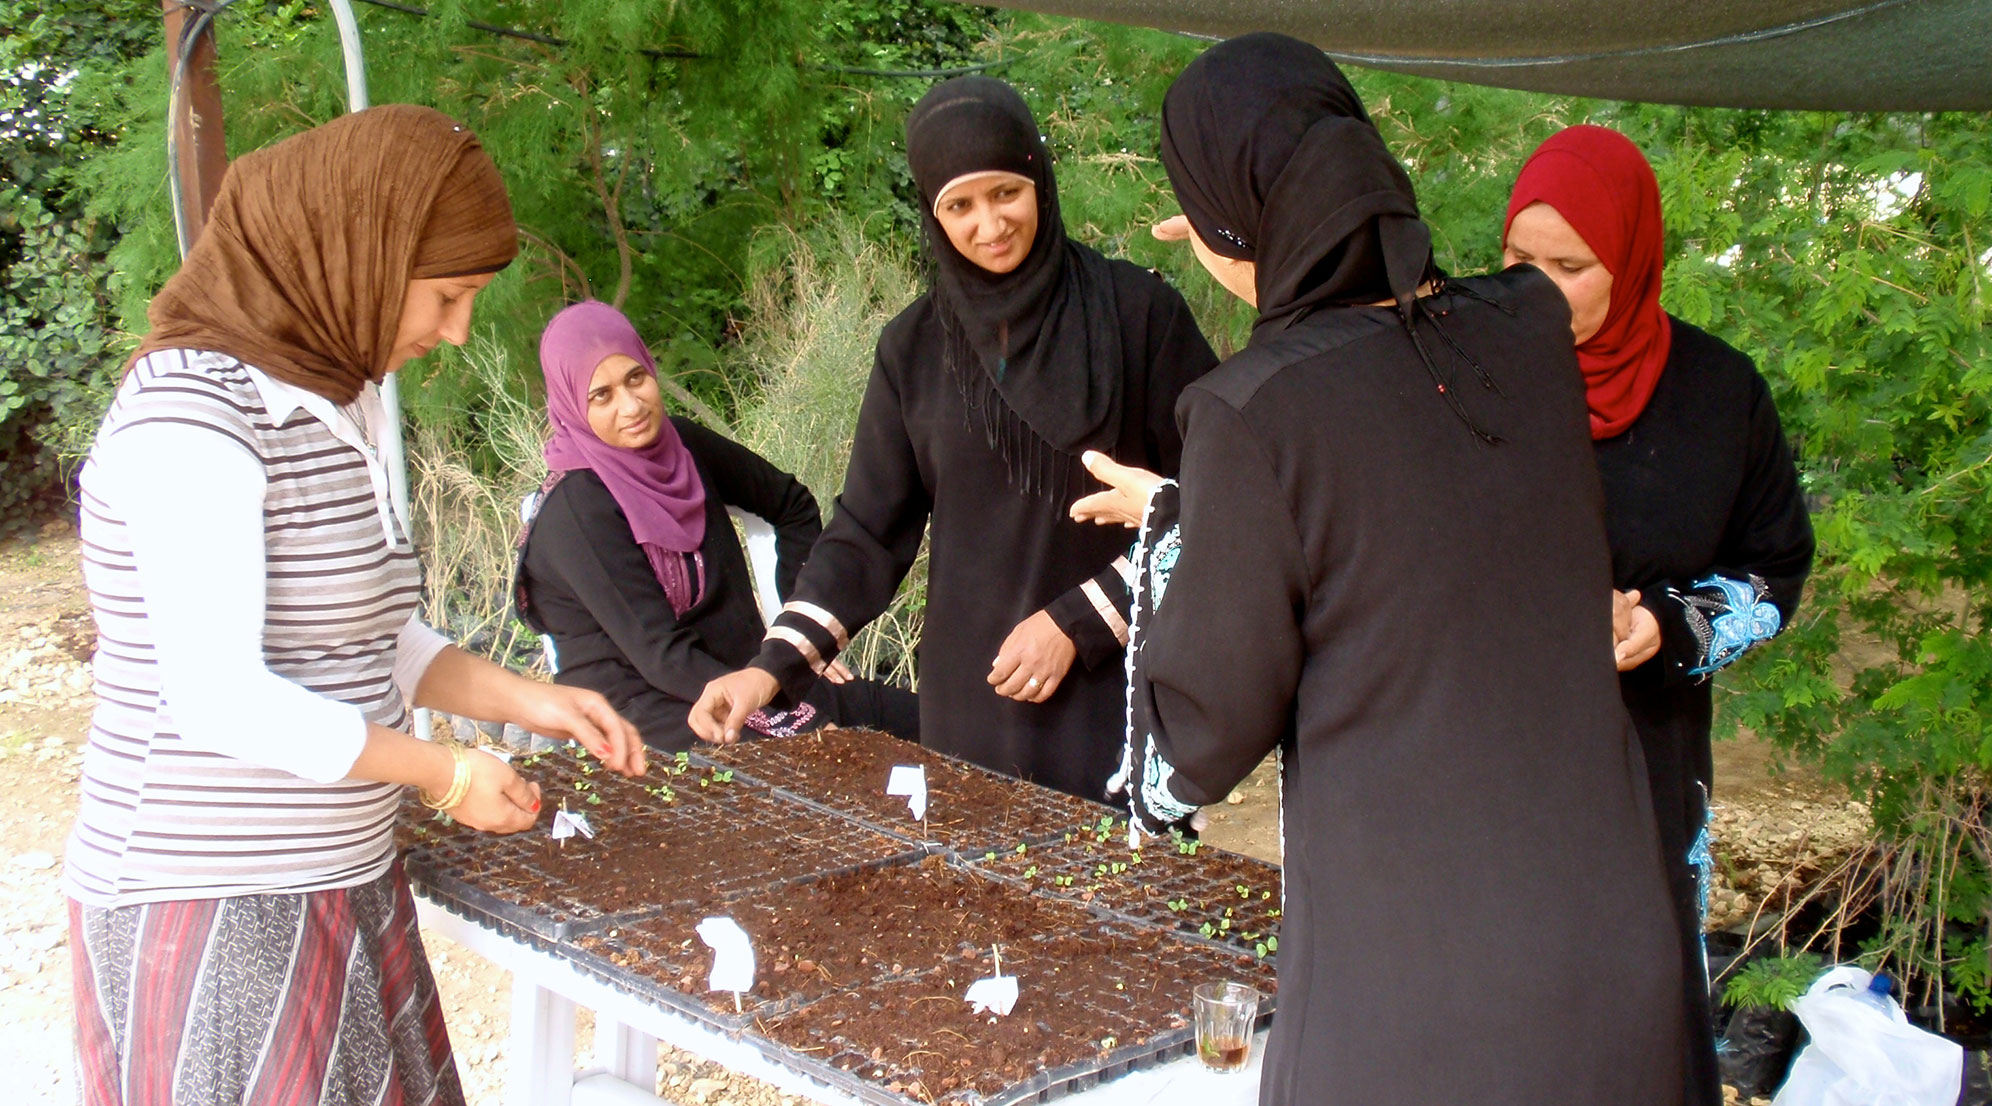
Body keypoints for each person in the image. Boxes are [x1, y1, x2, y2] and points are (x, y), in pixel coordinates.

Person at [1075, 34, 1687, 1103]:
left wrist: (1175, 519)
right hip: (1612, 945)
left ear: (1223, 222)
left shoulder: (1253, 413)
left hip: (1424, 991)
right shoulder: (1526, 328)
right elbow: (1409, 513)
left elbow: (1203, 732)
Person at [66, 105, 645, 1106]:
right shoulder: (190, 414)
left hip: (342, 881)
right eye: (448, 296)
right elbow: (220, 698)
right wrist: (442, 770)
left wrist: (531, 701)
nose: (456, 331)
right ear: (360, 253)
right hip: (216, 908)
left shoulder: (343, 395)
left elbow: (379, 635)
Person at [688, 76, 1217, 799]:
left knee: (1115, 902)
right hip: (970, 709)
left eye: (1006, 193)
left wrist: (1082, 620)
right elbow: (869, 532)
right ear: (933, 214)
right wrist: (768, 666)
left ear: (1039, 180)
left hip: (1114, 698)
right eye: (958, 205)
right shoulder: (914, 349)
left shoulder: (1139, 317)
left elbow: (1219, 499)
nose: (989, 225)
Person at [1503, 124, 1815, 1106]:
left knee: (1631, 1022)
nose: (1538, 289)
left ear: (1632, 259)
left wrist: (1672, 628)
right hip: (1477, 756)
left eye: (1571, 265)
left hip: (1646, 761)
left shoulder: (1720, 396)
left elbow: (1775, 567)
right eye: (1517, 260)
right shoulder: (1460, 380)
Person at [514, 300, 920, 752]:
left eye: (636, 378)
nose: (631, 406)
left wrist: (792, 643)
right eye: (601, 395)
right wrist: (777, 702)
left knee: (925, 726)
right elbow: (660, 657)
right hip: (645, 712)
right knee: (829, 761)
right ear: (571, 403)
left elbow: (792, 505)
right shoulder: (576, 511)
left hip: (742, 676)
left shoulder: (680, 444)